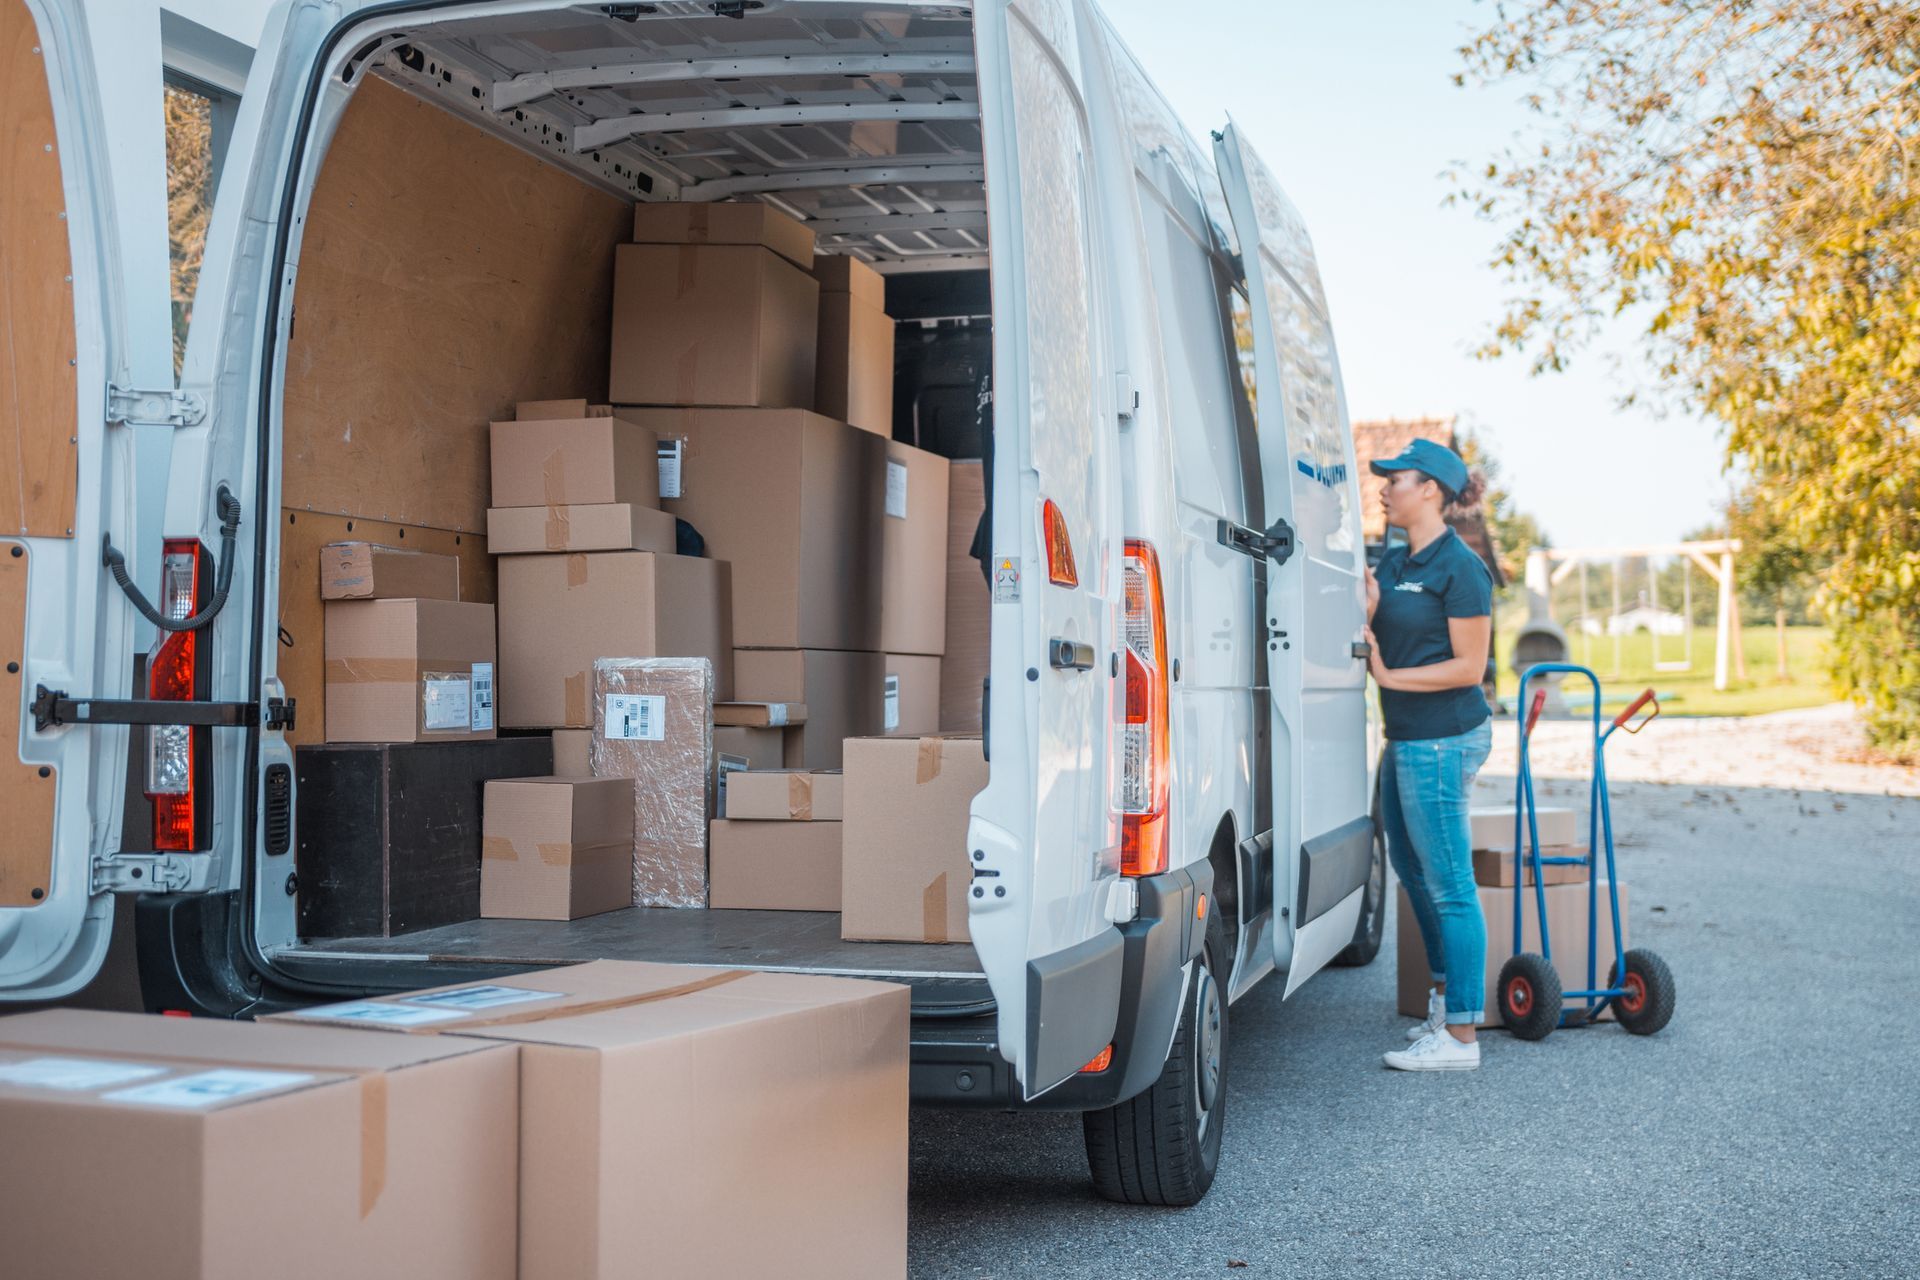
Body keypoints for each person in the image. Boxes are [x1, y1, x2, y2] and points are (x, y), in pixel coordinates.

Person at [1362, 439, 1494, 1071]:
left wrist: (1387, 676)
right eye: (1385, 479)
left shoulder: (1460, 568)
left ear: (1432, 491)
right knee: (1413, 874)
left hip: (1444, 737)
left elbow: (1469, 668)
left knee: (1450, 887)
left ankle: (1463, 1037)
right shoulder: (1391, 564)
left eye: (1398, 479)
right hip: (1407, 737)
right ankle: (1444, 1004)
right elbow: (1380, 618)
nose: (1385, 488)